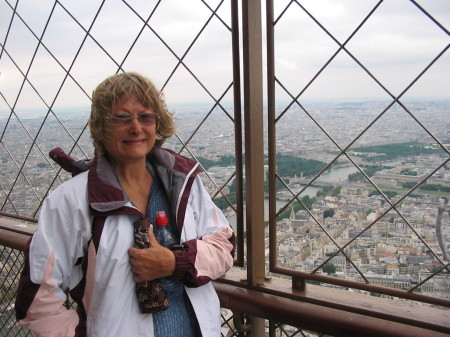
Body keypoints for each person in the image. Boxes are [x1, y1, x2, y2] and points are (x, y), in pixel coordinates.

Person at [15, 72, 235, 337]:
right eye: (121, 118)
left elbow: (224, 247)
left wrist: (174, 262)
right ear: (101, 126)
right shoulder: (70, 201)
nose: (136, 127)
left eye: (145, 116)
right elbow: (38, 299)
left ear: (157, 123)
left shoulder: (185, 183)